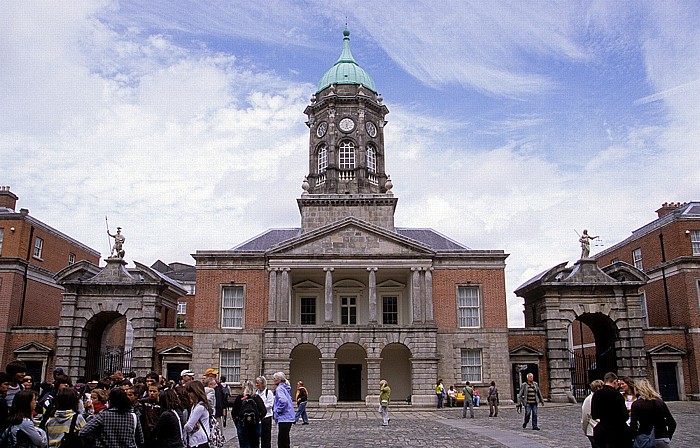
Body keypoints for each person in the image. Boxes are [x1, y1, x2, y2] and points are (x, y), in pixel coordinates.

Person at [79, 387, 144, 447]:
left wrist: (97, 439)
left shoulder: (102, 415)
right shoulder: (133, 416)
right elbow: (141, 439)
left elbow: (82, 432)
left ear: (110, 401)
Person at [630, 379, 676, 448]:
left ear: (637, 389)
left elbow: (633, 425)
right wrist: (667, 436)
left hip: (644, 438)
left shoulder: (636, 404)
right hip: (662, 437)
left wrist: (633, 438)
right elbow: (672, 423)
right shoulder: (660, 402)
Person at [591, 372, 630, 448]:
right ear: (615, 381)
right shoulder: (617, 395)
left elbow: (594, 415)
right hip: (617, 431)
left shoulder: (597, 394)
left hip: (602, 431)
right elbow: (624, 416)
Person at [231, 380, 266, 448]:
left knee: (244, 444)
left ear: (244, 388)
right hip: (255, 425)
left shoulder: (240, 398)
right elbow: (264, 412)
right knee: (255, 444)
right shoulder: (256, 398)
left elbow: (234, 413)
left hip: (242, 425)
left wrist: (237, 422)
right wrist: (258, 419)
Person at [183, 380, 211, 448]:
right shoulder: (195, 406)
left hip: (199, 441)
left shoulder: (200, 407)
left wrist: (186, 425)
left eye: (190, 392)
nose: (189, 394)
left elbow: (188, 427)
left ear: (196, 392)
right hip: (196, 441)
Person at [272, 372, 294, 448]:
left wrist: (277, 411)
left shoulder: (279, 389)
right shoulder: (285, 387)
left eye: (275, 378)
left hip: (284, 418)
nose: (273, 380)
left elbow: (284, 401)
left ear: (279, 379)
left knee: (282, 441)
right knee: (285, 440)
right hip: (288, 417)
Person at [581, 379, 604, 447]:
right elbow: (585, 416)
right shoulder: (589, 399)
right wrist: (585, 429)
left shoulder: (604, 397)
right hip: (593, 429)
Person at [255, 376, 274, 448]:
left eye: (258, 383)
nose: (256, 385)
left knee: (266, 437)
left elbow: (270, 404)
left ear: (262, 383)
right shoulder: (256, 393)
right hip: (259, 417)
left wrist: (261, 406)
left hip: (267, 417)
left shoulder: (268, 393)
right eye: (256, 383)